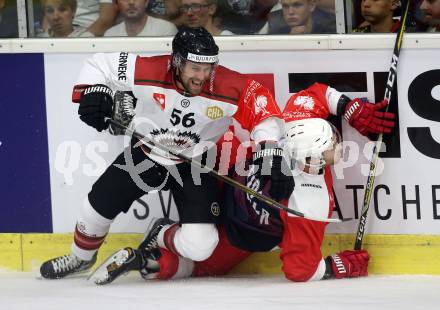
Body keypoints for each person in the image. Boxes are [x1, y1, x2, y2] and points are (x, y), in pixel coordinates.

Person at [39, 26, 294, 280]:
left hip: (196, 164)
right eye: (195, 68)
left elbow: (262, 105)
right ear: (177, 61)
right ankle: (80, 258)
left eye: (208, 69)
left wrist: (269, 149)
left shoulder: (226, 84)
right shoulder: (149, 69)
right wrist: (93, 91)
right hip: (147, 154)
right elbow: (99, 63)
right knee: (93, 209)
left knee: (201, 246)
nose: (202, 77)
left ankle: (160, 232)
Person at [89, 82, 395, 284]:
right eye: (332, 144)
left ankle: (151, 257)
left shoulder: (293, 125)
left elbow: (314, 94)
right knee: (202, 266)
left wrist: (348, 107)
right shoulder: (310, 203)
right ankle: (163, 242)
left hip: (231, 183)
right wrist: (337, 266)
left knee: (204, 258)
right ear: (312, 161)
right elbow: (300, 270)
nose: (339, 146)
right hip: (241, 231)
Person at [104, 0, 177, 37]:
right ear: (116, 4)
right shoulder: (110, 34)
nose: (131, 2)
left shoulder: (166, 30)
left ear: (146, 2)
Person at [259, 0, 336, 35]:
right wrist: (290, 40)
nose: (290, 12)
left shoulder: (329, 29)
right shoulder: (275, 27)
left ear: (311, 6)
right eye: (285, 6)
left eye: (297, 5)